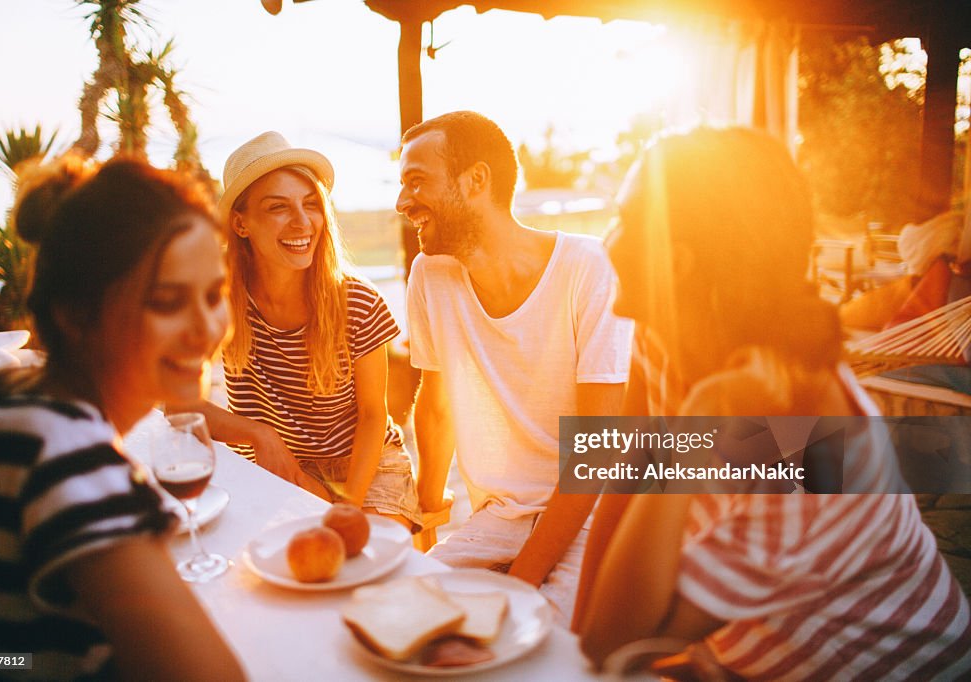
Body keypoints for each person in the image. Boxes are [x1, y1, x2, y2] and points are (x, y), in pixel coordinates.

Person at [575, 127, 971, 679]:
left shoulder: (817, 452)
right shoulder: (661, 334)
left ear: (676, 261)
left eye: (622, 216)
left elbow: (614, 639)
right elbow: (629, 482)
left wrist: (700, 418)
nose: (607, 234)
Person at [0, 157, 245, 680]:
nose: (206, 329)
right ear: (75, 312)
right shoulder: (69, 460)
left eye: (214, 294)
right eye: (168, 301)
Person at [397, 111, 633, 624]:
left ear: (476, 181)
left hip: (589, 514)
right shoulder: (429, 274)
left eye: (416, 181)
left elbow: (597, 455)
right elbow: (435, 409)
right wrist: (428, 520)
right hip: (499, 517)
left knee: (533, 643)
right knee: (410, 615)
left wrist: (521, 581)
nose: (402, 202)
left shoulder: (588, 270)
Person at [195, 132, 420, 529]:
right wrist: (260, 435)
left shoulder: (357, 301)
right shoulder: (220, 299)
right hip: (280, 466)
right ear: (241, 224)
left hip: (367, 468)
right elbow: (181, 405)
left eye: (311, 204)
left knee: (363, 564)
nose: (302, 222)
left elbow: (373, 415)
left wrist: (348, 506)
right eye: (278, 207)